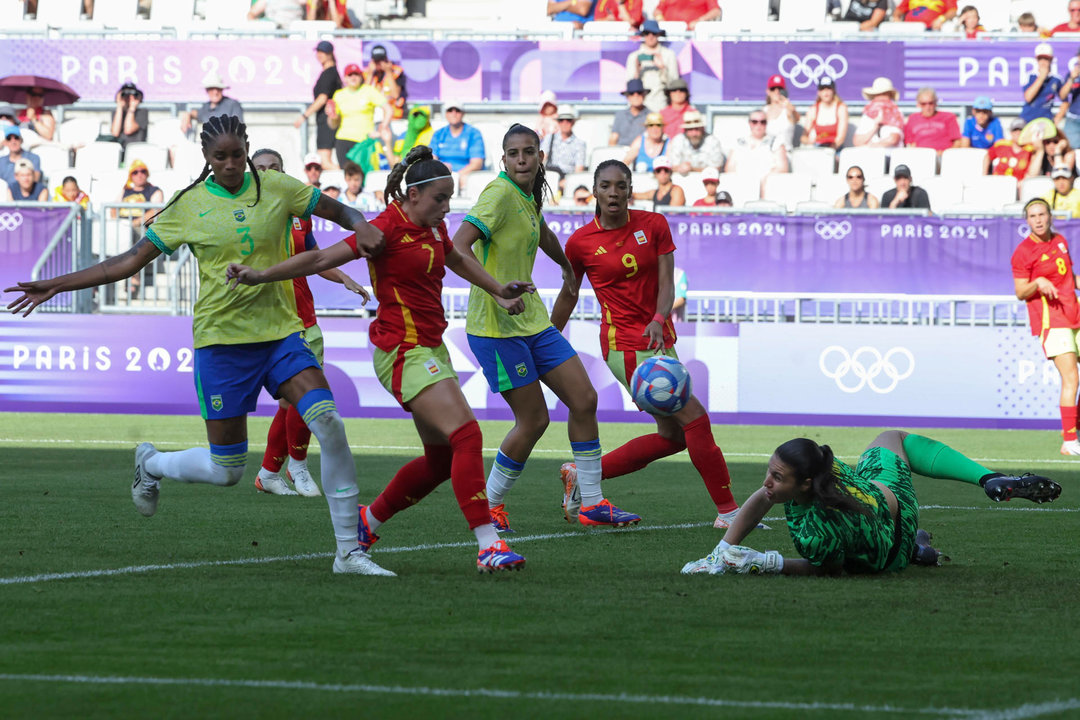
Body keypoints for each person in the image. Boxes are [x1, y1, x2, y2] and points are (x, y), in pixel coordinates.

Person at [5, 114, 390, 576]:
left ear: (247, 148)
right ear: (206, 159)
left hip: (281, 335)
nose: (229, 164)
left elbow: (337, 210)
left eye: (236, 154)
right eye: (219, 157)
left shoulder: (277, 186)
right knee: (226, 470)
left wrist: (360, 224)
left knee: (328, 423)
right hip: (222, 344)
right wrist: (58, 284)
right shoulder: (188, 206)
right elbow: (128, 262)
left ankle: (349, 552)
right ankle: (152, 463)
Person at [229, 145, 533, 572]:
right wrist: (261, 275)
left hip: (430, 348)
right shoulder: (384, 229)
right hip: (402, 351)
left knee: (441, 461)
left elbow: (457, 259)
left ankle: (366, 523)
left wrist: (498, 290)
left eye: (448, 198)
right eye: (439, 199)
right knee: (467, 436)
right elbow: (319, 257)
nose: (446, 208)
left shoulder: (433, 227)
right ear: (413, 195)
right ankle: (488, 544)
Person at [453, 123, 641, 533]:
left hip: (532, 321)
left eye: (529, 152)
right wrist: (497, 291)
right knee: (534, 420)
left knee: (584, 398)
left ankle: (590, 503)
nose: (522, 159)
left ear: (540, 157)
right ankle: (491, 506)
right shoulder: (499, 194)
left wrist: (565, 266)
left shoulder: (526, 196)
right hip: (496, 328)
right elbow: (457, 246)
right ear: (504, 160)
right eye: (514, 153)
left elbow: (541, 231)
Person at [551, 159, 758, 530]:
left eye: (621, 185)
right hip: (625, 346)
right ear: (594, 191)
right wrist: (547, 337)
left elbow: (667, 282)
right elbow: (568, 294)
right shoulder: (580, 243)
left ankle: (581, 477)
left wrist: (660, 319)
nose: (613, 193)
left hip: (660, 337)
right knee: (695, 420)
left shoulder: (654, 224)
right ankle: (728, 512)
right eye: (606, 186)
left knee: (674, 436)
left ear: (631, 190)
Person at [680, 430, 1061, 576]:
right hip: (881, 493)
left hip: (893, 536)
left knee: (895, 545)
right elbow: (763, 497)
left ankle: (916, 545)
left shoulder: (818, 531)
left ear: (806, 483)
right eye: (770, 471)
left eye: (778, 477)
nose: (767, 482)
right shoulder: (823, 467)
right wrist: (723, 550)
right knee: (890, 437)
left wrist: (766, 561)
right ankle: (987, 478)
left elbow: (829, 569)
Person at [247, 147, 369, 497]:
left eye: (275, 168)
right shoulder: (243, 216)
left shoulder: (301, 215)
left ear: (285, 173)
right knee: (302, 397)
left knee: (293, 402)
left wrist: (343, 277)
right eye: (261, 169)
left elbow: (313, 257)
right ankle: (295, 467)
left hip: (306, 317)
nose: (268, 174)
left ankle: (271, 472)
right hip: (272, 320)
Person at [1013, 198, 1080, 455]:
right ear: (1027, 220)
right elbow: (1020, 291)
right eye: (1033, 216)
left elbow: (1068, 278)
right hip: (1052, 321)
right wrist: (1038, 281)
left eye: (1042, 214)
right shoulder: (1023, 251)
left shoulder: (1060, 240)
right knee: (1071, 377)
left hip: (1074, 312)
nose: (1038, 220)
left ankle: (1077, 431)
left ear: (1050, 216)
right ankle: (1069, 441)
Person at [326, 63, 393, 170]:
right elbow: (333, 125)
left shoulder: (368, 90)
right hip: (343, 140)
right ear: (345, 78)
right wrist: (332, 116)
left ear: (361, 77)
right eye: (350, 75)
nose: (353, 77)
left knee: (363, 175)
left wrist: (382, 127)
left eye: (356, 74)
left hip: (363, 141)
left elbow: (388, 109)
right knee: (348, 176)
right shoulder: (338, 95)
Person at [295, 40, 342, 171]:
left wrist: (304, 116)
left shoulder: (329, 74)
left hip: (326, 119)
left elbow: (322, 98)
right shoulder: (329, 72)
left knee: (326, 162)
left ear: (330, 54)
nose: (320, 55)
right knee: (326, 161)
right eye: (319, 51)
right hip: (325, 119)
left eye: (323, 52)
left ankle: (349, 177)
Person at [430, 100, 486, 194]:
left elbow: (477, 163)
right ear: (446, 114)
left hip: (465, 175)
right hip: (443, 173)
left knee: (467, 181)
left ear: (463, 113)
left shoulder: (473, 133)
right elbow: (432, 158)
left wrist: (457, 176)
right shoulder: (439, 134)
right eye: (450, 110)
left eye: (457, 110)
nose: (454, 113)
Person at [724, 110, 789, 187]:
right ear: (749, 123)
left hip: (767, 186)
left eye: (763, 122)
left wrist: (763, 181)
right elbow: (729, 168)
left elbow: (782, 168)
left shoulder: (776, 142)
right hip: (742, 185)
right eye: (754, 122)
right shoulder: (738, 143)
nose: (759, 125)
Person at [625, 19, 679, 113]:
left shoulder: (669, 55)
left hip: (660, 103)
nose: (650, 37)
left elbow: (674, 84)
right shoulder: (634, 57)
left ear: (658, 34)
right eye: (646, 33)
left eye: (654, 33)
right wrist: (637, 71)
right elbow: (630, 86)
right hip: (639, 105)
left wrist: (663, 69)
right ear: (643, 35)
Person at [540, 105, 587, 193]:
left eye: (568, 120)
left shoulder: (580, 144)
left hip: (568, 182)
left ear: (573, 122)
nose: (564, 123)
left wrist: (567, 182)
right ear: (558, 122)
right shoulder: (549, 138)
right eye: (561, 120)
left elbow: (578, 171)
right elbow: (541, 160)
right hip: (549, 178)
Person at [180, 73, 244, 135]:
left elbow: (237, 128)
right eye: (212, 88)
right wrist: (187, 115)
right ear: (207, 90)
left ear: (222, 89)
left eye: (218, 89)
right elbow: (197, 113)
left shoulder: (233, 104)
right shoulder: (206, 107)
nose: (215, 92)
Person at [903, 87, 962, 154]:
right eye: (923, 104)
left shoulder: (949, 117)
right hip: (920, 156)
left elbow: (957, 142)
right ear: (918, 104)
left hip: (943, 157)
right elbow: (910, 143)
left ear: (936, 103)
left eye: (930, 103)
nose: (927, 107)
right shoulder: (912, 118)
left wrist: (944, 155)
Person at [667, 110, 724, 174]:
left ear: (702, 129)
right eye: (690, 129)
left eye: (697, 129)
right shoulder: (678, 140)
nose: (694, 133)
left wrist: (692, 169)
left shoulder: (713, 141)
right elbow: (671, 167)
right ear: (685, 130)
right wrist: (681, 168)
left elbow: (717, 168)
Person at [853, 77, 904, 148]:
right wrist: (875, 126)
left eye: (884, 94)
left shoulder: (896, 113)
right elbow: (857, 142)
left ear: (890, 96)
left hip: (890, 156)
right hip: (869, 155)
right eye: (878, 94)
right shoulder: (867, 115)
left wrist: (872, 146)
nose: (881, 98)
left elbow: (894, 139)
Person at [801, 76, 848, 149]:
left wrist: (830, 151)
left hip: (835, 148)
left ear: (833, 91)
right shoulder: (813, 110)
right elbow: (803, 137)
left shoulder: (841, 108)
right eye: (822, 89)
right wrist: (809, 141)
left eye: (828, 88)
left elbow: (841, 138)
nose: (826, 92)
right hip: (817, 148)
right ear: (818, 92)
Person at [363, 44, 408, 120]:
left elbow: (396, 95)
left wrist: (389, 73)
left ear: (386, 59)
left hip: (392, 116)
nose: (379, 64)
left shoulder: (396, 72)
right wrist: (370, 74)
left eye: (381, 60)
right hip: (371, 116)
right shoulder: (367, 73)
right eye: (376, 61)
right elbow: (362, 95)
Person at [1021, 43, 1063, 124]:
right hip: (1027, 119)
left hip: (1046, 121)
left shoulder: (1056, 79)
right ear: (1036, 60)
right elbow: (1028, 97)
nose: (1043, 62)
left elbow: (1065, 99)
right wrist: (1041, 78)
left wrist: (1058, 117)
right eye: (1040, 59)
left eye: (1046, 59)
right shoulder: (1030, 76)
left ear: (1051, 60)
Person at [764, 75, 799, 151]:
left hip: (786, 153)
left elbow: (796, 118)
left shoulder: (789, 109)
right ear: (768, 91)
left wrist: (790, 108)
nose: (777, 92)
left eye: (780, 89)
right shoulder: (764, 111)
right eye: (773, 89)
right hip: (768, 153)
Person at [610, 79, 649, 147]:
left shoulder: (651, 116)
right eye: (632, 93)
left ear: (644, 95)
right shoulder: (620, 115)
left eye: (639, 93)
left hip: (642, 153)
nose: (636, 96)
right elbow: (613, 139)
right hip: (621, 152)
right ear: (627, 97)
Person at [109, 82, 148, 149]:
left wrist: (132, 107)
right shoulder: (117, 113)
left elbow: (128, 130)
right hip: (119, 148)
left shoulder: (142, 112)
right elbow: (115, 133)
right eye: (125, 95)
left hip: (135, 149)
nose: (128, 98)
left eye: (131, 94)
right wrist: (119, 106)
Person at [1057, 47, 1080, 150]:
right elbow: (1063, 96)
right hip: (1073, 118)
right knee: (1069, 149)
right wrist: (1071, 79)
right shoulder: (1072, 75)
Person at [892, 0, 957, 30]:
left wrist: (941, 19)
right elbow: (899, 10)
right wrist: (896, 17)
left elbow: (953, 11)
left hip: (930, 30)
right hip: (909, 29)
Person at [653, 0, 720, 28]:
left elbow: (716, 11)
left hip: (691, 34)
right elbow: (657, 11)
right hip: (669, 33)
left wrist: (699, 21)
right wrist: (661, 20)